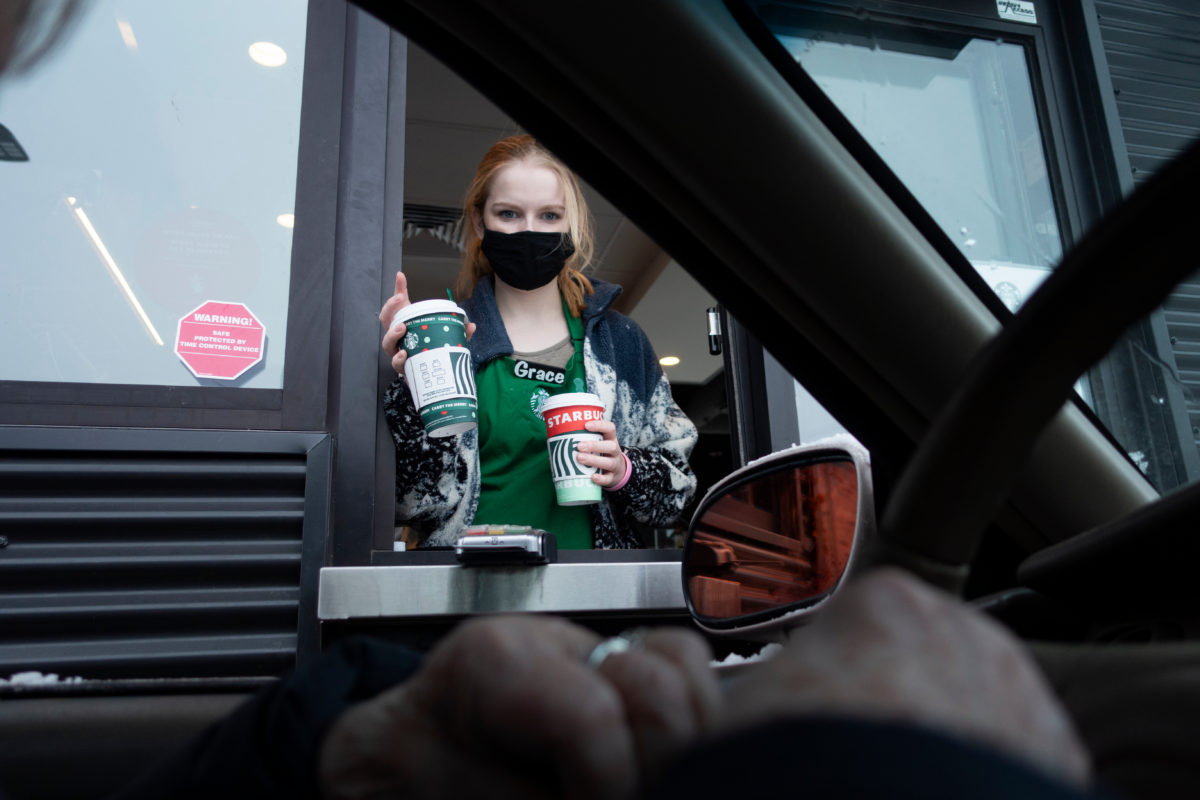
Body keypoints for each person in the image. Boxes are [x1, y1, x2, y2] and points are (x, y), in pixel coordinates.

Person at [379, 135, 698, 549]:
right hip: (467, 598)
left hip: (594, 598)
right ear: (479, 222)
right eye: (509, 213)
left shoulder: (619, 345)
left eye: (549, 216)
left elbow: (677, 493)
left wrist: (624, 472)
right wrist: (413, 384)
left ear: (571, 225)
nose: (529, 230)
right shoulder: (447, 342)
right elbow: (408, 504)